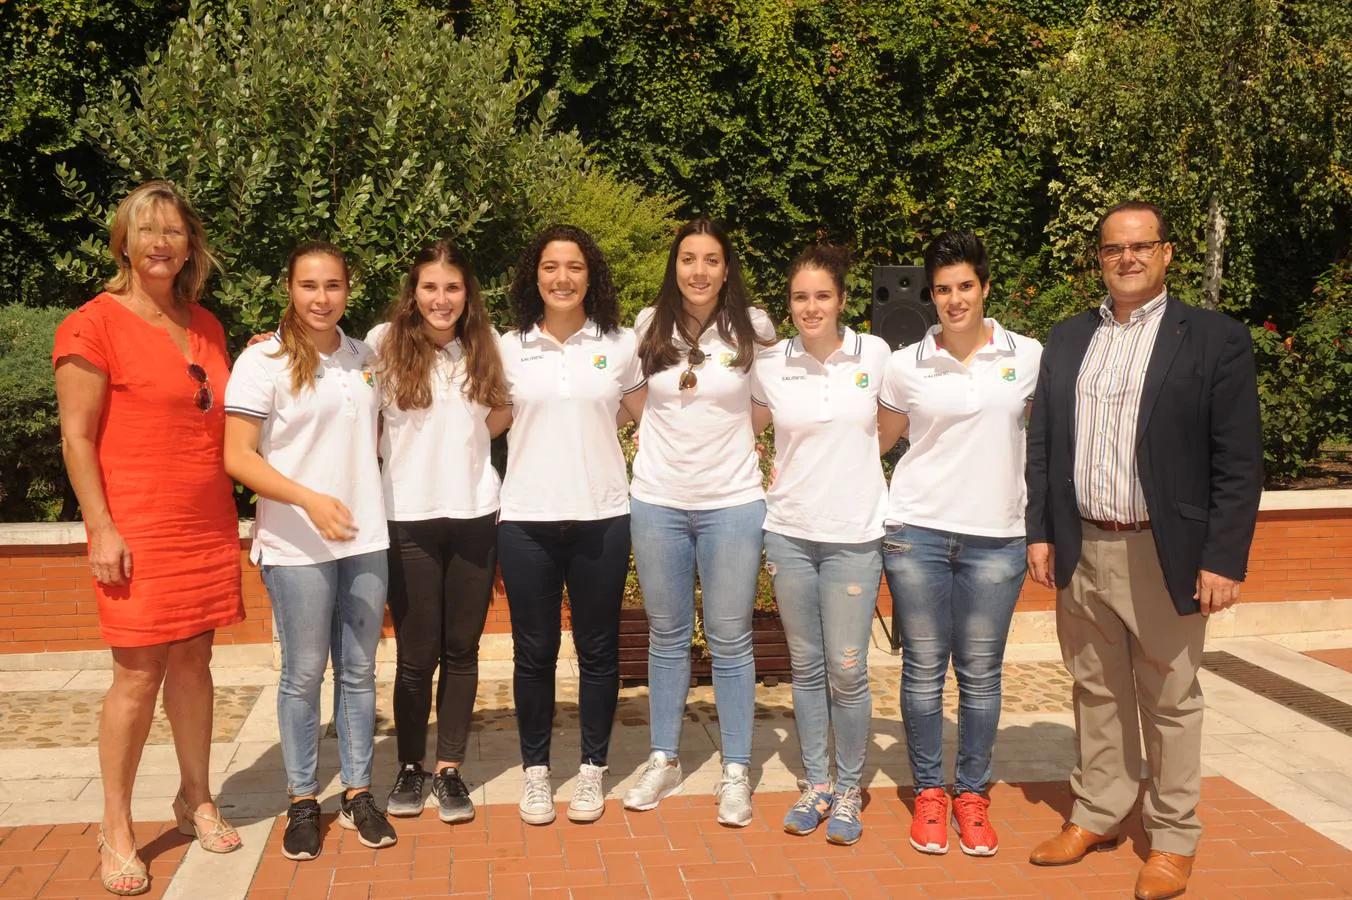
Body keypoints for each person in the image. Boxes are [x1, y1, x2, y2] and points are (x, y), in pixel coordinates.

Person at [1024, 202, 1262, 900]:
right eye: (1112, 249)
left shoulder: (1214, 339)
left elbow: (1238, 460)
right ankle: (1098, 810)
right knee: (1095, 689)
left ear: (1165, 254)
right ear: (1099, 258)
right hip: (1083, 544)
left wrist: (1223, 558)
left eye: (1140, 246)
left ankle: (1173, 836)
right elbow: (1044, 448)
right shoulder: (1069, 339)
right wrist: (1040, 531)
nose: (1126, 258)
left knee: (1172, 697)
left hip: (1167, 550)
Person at [53, 181, 245, 896]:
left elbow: (222, 409)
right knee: (137, 674)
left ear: (190, 245)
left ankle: (194, 796)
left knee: (195, 660)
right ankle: (117, 825)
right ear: (123, 243)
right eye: (147, 231)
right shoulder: (91, 324)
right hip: (134, 522)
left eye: (174, 231)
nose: (161, 243)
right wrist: (100, 525)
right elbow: (75, 437)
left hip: (204, 521)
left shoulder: (207, 326)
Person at [223, 241, 397, 861]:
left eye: (333, 286)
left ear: (348, 290)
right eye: (308, 285)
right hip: (296, 544)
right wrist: (310, 500)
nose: (321, 298)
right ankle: (303, 799)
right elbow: (237, 457)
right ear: (289, 289)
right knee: (302, 675)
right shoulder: (263, 361)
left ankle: (356, 792)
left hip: (365, 540)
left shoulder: (365, 358)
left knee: (357, 672)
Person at [877, 230, 1043, 858]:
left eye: (964, 286)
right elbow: (881, 441)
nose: (954, 299)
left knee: (980, 674)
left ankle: (971, 794)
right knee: (922, 673)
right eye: (943, 289)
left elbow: (1048, 442)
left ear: (985, 287)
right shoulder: (904, 364)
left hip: (997, 537)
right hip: (916, 532)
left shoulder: (1027, 355)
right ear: (932, 293)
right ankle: (929, 794)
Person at [622, 217, 776, 827]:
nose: (699, 271)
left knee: (731, 636)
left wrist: (725, 445)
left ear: (726, 268)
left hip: (732, 502)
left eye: (711, 259)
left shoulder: (754, 327)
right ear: (674, 264)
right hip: (657, 500)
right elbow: (634, 402)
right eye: (689, 258)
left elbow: (766, 407)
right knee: (666, 635)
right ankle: (663, 756)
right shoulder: (646, 324)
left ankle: (736, 766)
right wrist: (670, 443)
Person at [496, 225, 646, 825]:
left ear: (591, 275)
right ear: (534, 274)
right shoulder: (506, 346)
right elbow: (476, 415)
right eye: (551, 267)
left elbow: (653, 416)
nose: (562, 278)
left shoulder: (621, 342)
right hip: (527, 519)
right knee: (533, 653)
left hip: (602, 517)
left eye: (575, 267)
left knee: (598, 650)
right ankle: (536, 772)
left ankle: (591, 769)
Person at [749, 244, 891, 845]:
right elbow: (742, 428)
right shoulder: (771, 363)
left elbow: (891, 429)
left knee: (847, 669)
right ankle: (817, 783)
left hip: (855, 536)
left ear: (841, 299)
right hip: (789, 534)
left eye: (822, 296)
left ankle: (850, 790)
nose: (811, 307)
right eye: (800, 297)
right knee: (805, 669)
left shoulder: (876, 355)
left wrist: (849, 470)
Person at [366, 241, 512, 824]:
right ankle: (410, 766)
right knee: (415, 652)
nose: (442, 299)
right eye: (430, 287)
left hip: (475, 513)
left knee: (462, 649)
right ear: (414, 292)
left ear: (467, 294)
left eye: (452, 288)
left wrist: (468, 446)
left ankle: (449, 769)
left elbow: (501, 412)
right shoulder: (381, 343)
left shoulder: (487, 345)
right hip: (407, 517)